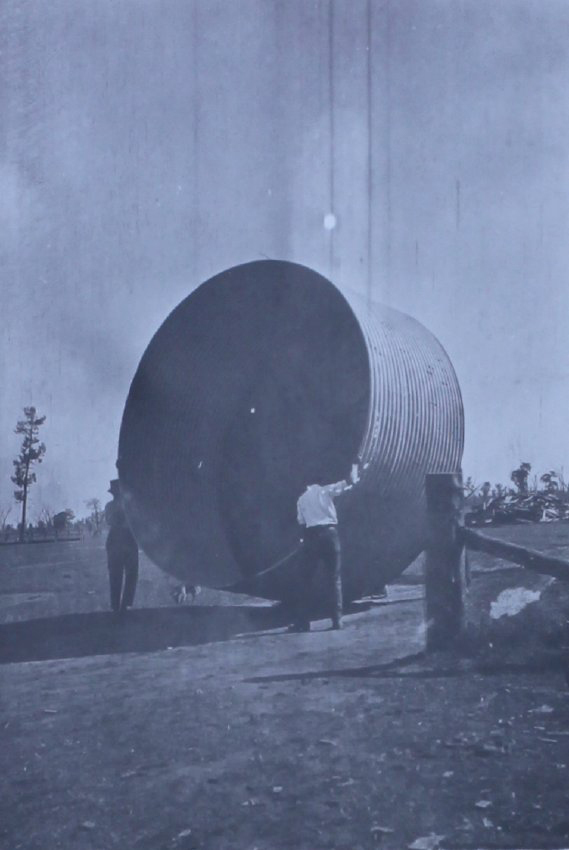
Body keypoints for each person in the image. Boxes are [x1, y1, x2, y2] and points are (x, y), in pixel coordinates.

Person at [289, 460, 361, 632]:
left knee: (306, 580)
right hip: (330, 535)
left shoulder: (301, 499)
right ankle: (337, 621)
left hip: (311, 537)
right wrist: (355, 465)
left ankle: (303, 623)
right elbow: (350, 481)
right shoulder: (326, 491)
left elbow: (301, 522)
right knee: (334, 579)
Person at [105, 479, 139, 614]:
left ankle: (122, 605)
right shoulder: (115, 506)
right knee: (121, 573)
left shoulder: (125, 505)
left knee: (127, 573)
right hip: (121, 537)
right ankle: (120, 605)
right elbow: (112, 520)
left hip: (122, 538)